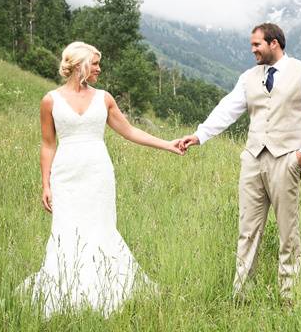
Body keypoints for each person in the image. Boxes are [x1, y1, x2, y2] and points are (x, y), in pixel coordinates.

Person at [23, 41, 184, 317]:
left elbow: (130, 131)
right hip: (66, 175)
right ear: (78, 65)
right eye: (95, 63)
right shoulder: (50, 100)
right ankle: (65, 292)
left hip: (98, 174)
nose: (99, 68)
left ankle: (106, 290)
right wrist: (45, 183)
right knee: (66, 231)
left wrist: (167, 144)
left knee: (100, 228)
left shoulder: (104, 98)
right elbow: (48, 144)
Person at [180, 23, 301, 303]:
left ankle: (289, 295)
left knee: (288, 231)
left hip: (286, 159)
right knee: (247, 229)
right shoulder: (248, 77)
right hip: (252, 160)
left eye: (256, 45)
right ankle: (241, 294)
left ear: (274, 43)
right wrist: (200, 135)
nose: (253, 50)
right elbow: (227, 109)